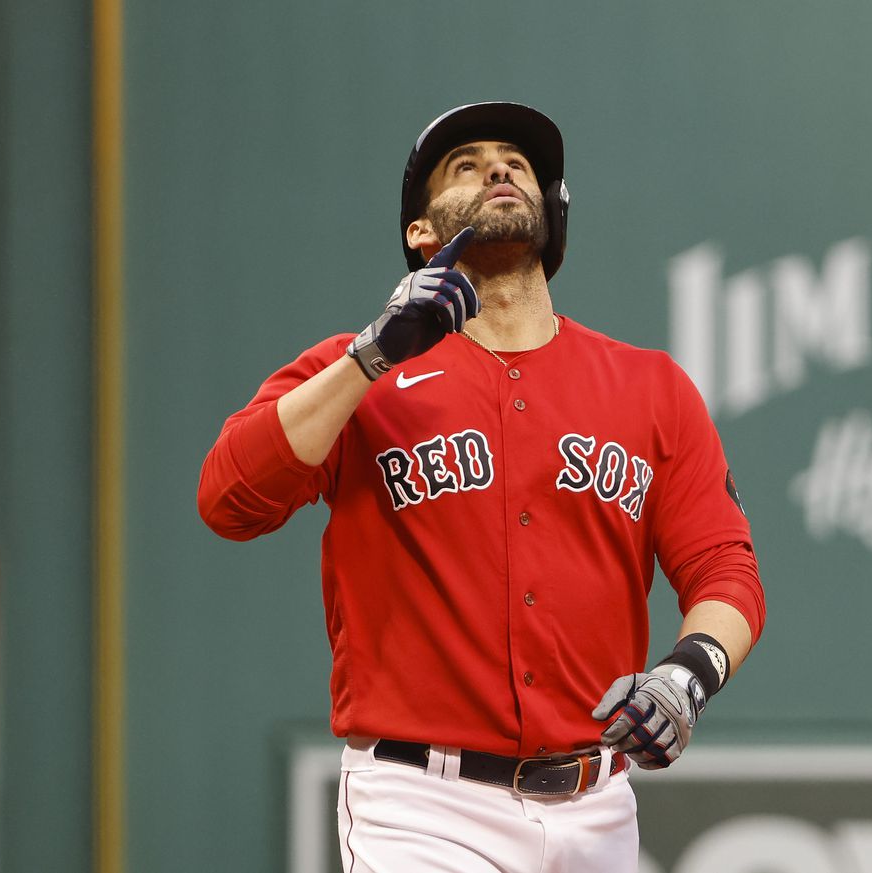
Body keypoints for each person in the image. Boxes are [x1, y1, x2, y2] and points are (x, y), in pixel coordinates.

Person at [198, 101, 764, 873]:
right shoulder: (356, 374)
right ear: (420, 235)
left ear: (552, 214)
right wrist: (366, 358)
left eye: (516, 163)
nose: (498, 169)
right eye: (465, 164)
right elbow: (230, 498)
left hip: (598, 806)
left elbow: (726, 570)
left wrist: (687, 674)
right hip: (423, 804)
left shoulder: (651, 387)